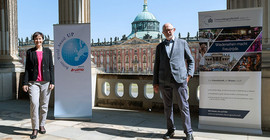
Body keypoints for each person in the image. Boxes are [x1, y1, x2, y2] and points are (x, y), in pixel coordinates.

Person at [153, 23, 195, 140]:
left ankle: (189, 132)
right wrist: (155, 83)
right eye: (165, 30)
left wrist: (189, 75)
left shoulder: (182, 43)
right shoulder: (159, 47)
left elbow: (191, 61)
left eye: (170, 30)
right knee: (167, 107)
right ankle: (170, 130)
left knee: (184, 106)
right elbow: (156, 65)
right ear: (163, 33)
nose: (168, 32)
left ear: (174, 30)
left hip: (180, 80)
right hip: (164, 80)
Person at [22, 32, 54, 139]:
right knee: (34, 104)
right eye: (36, 39)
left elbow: (51, 67)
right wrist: (25, 83)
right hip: (33, 82)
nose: (38, 41)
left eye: (40, 39)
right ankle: (34, 128)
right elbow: (26, 68)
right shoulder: (30, 52)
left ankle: (42, 125)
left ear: (43, 40)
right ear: (34, 40)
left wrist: (52, 82)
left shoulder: (48, 51)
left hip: (46, 81)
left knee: (44, 105)